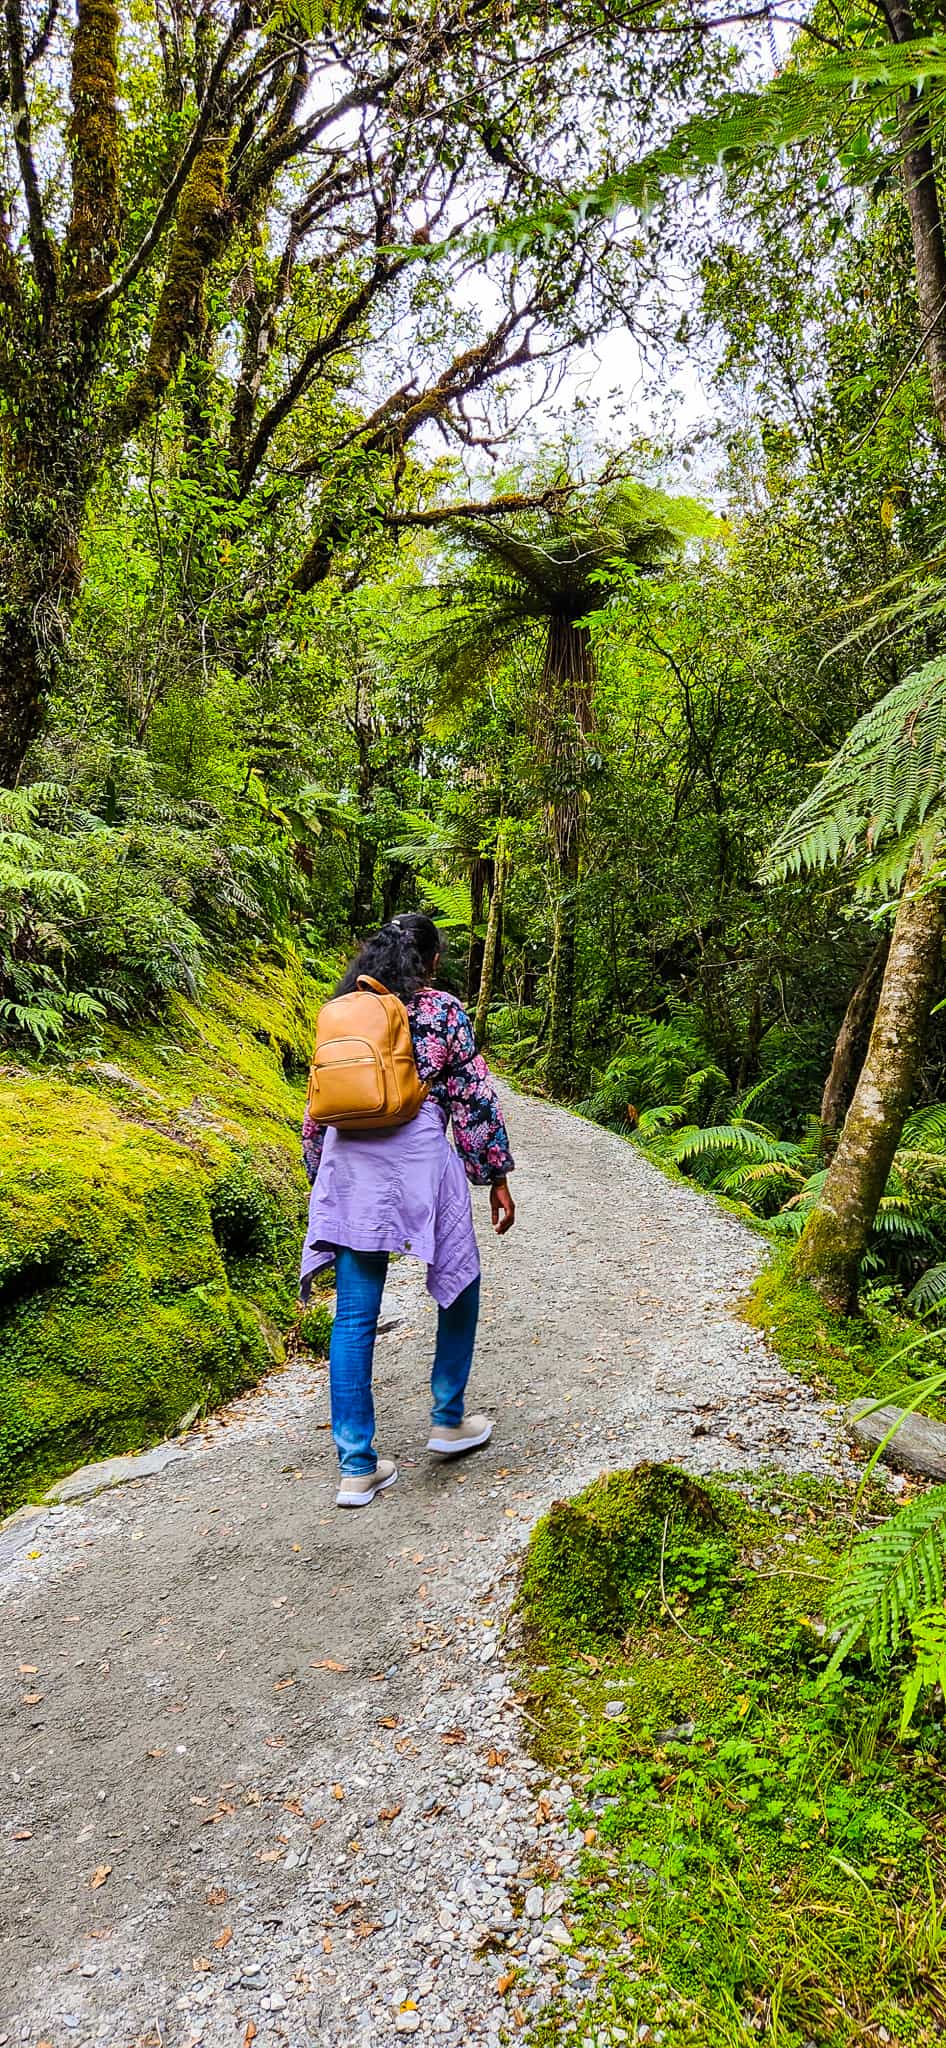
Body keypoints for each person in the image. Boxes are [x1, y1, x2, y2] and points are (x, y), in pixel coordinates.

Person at [300, 913, 515, 1508]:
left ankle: (356, 1467)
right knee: (458, 1283)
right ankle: (448, 1420)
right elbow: (473, 1097)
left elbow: (317, 1109)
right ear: (432, 962)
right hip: (419, 1158)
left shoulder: (343, 1010)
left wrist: (323, 1177)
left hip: (351, 1164)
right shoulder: (443, 1012)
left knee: (353, 1317)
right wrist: (493, 1174)